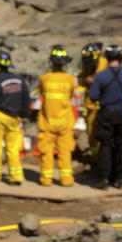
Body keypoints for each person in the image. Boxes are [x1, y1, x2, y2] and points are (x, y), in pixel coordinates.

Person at [89, 43, 122, 190]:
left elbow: (93, 96)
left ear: (107, 58)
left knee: (105, 145)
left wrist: (105, 98)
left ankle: (104, 179)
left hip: (106, 113)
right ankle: (121, 179)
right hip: (121, 112)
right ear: (121, 58)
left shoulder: (101, 76)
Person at [35, 46, 78, 186]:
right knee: (65, 152)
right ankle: (66, 180)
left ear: (51, 62)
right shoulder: (69, 79)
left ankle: (46, 179)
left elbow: (41, 94)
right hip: (65, 122)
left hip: (47, 122)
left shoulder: (44, 79)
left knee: (46, 152)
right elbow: (71, 94)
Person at [0, 50, 29, 185]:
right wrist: (22, 115)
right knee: (13, 148)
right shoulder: (19, 80)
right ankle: (16, 177)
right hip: (15, 118)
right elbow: (26, 99)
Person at [78, 42, 108, 156]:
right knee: (91, 134)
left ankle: (103, 159)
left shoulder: (105, 65)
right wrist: (86, 80)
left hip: (103, 105)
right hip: (90, 106)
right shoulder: (88, 65)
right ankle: (95, 159)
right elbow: (80, 79)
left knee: (104, 135)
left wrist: (96, 80)